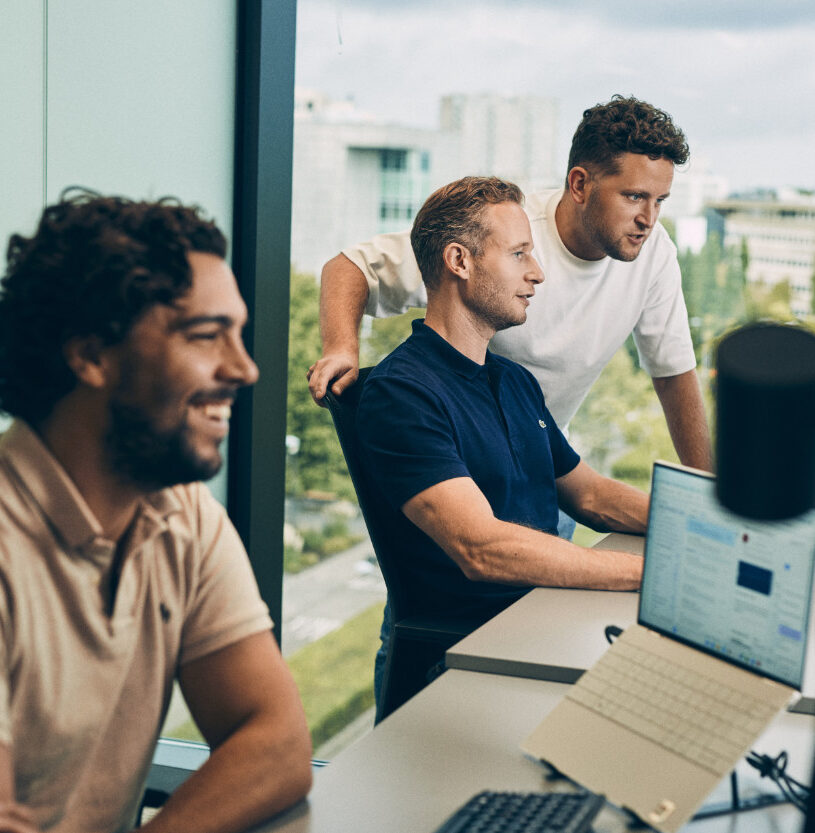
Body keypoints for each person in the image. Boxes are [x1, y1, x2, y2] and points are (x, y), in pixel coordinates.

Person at [0, 192, 312, 833]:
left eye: (238, 334)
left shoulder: (181, 515)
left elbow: (276, 741)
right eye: (205, 337)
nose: (245, 369)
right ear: (90, 356)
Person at [356, 177, 649, 699]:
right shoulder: (401, 395)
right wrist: (644, 575)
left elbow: (590, 495)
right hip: (467, 667)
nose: (537, 273)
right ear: (459, 262)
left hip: (543, 630)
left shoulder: (513, 381)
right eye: (519, 254)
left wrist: (707, 525)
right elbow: (482, 548)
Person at [308, 95, 711, 474]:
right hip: (462, 459)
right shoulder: (504, 235)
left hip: (548, 465)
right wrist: (342, 347)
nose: (648, 218)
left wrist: (709, 500)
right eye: (634, 196)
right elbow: (350, 267)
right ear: (580, 184)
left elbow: (673, 375)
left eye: (660, 201)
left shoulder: (654, 253)